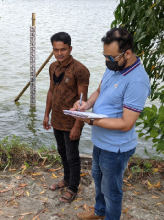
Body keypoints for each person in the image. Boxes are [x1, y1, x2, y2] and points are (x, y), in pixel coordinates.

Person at [71, 27, 151, 220]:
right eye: (105, 56)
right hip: (101, 141)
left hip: (116, 148)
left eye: (112, 57)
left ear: (128, 53)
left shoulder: (137, 81)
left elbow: (126, 123)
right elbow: (99, 90)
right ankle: (99, 212)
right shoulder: (114, 67)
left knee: (112, 190)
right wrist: (86, 104)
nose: (108, 61)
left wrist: (91, 120)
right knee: (98, 180)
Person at [43, 32, 90, 203]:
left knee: (72, 155)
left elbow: (82, 100)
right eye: (56, 50)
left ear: (70, 48)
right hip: (56, 119)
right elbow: (51, 91)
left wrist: (77, 125)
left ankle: (73, 187)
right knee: (62, 152)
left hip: (72, 121)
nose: (59, 53)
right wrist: (46, 114)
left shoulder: (80, 70)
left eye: (63, 49)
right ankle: (66, 179)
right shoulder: (53, 67)